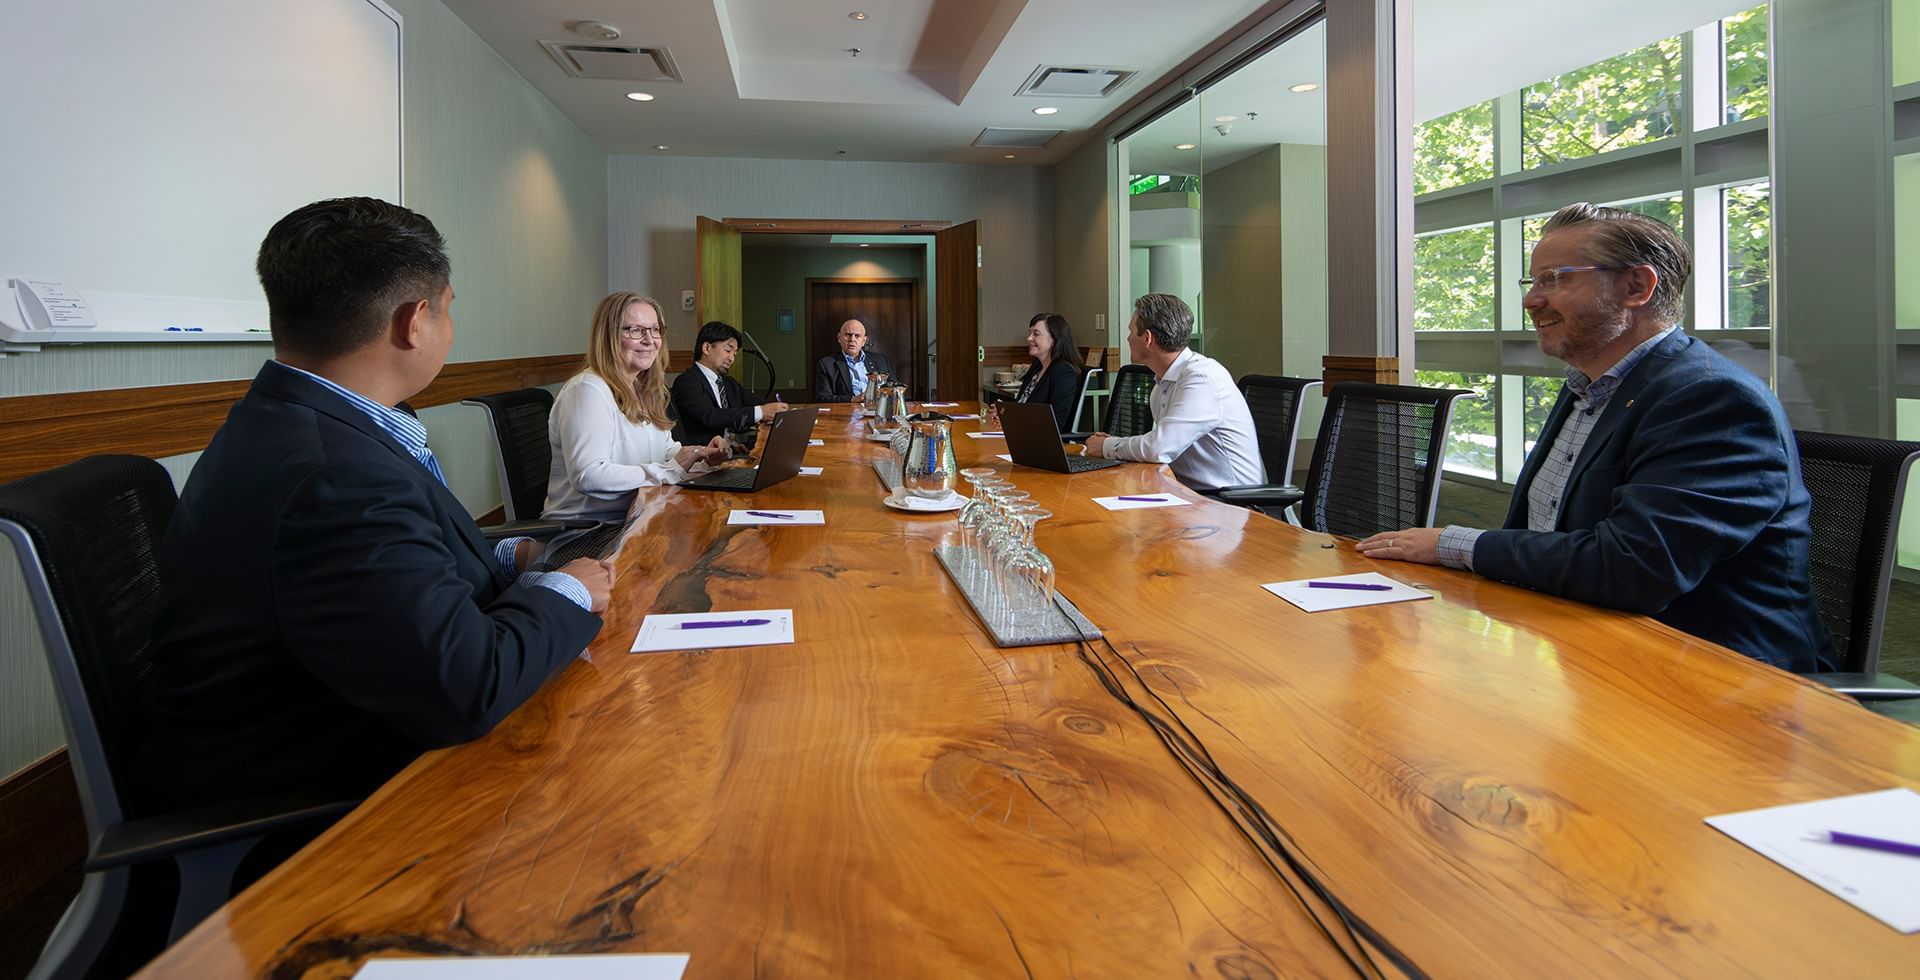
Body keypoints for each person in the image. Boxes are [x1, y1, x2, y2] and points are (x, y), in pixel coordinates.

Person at [141, 197, 613, 810]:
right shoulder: (336, 477)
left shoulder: (304, 422)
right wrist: (567, 589)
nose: (448, 328)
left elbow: (393, 577)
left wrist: (504, 559)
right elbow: (469, 685)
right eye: (448, 312)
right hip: (329, 801)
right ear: (414, 321)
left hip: (352, 717)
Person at [1357, 202, 1829, 671]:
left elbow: (1633, 570)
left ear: (1636, 286)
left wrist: (1449, 544)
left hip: (1717, 679)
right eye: (1534, 281)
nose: (1531, 301)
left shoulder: (1709, 397)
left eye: (1556, 279)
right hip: (1586, 645)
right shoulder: (1588, 387)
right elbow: (1544, 535)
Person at [544, 292, 729, 522]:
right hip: (591, 529)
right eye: (636, 330)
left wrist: (700, 455)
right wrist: (670, 471)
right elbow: (588, 475)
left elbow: (664, 451)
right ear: (609, 336)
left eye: (655, 329)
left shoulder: (643, 389)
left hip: (640, 515)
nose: (650, 340)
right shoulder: (587, 390)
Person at [1085, 294, 1264, 491]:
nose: (1128, 338)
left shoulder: (1201, 378)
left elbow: (1158, 448)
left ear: (1147, 338)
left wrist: (1106, 446)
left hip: (1228, 503)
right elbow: (1162, 444)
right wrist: (1113, 444)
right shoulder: (1163, 384)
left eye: (1131, 332)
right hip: (1187, 494)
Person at [669, 319, 788, 446]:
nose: (731, 358)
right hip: (703, 457)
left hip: (733, 451)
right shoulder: (686, 382)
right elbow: (710, 416)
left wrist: (777, 410)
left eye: (735, 354)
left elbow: (756, 403)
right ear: (707, 348)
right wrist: (760, 412)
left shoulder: (729, 383)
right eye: (728, 350)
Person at [1003, 312, 1085, 431]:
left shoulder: (1064, 373)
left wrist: (1014, 420)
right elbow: (1022, 406)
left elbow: (1055, 422)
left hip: (1039, 441)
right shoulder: (1036, 366)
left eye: (1036, 334)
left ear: (1055, 339)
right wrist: (1005, 414)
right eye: (1030, 333)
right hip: (1020, 433)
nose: (1029, 338)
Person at [813, 317, 896, 402]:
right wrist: (853, 399)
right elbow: (823, 398)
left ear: (863, 341)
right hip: (847, 412)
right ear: (839, 338)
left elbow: (894, 390)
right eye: (848, 335)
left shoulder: (881, 360)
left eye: (857, 336)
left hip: (878, 409)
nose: (852, 339)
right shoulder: (826, 364)